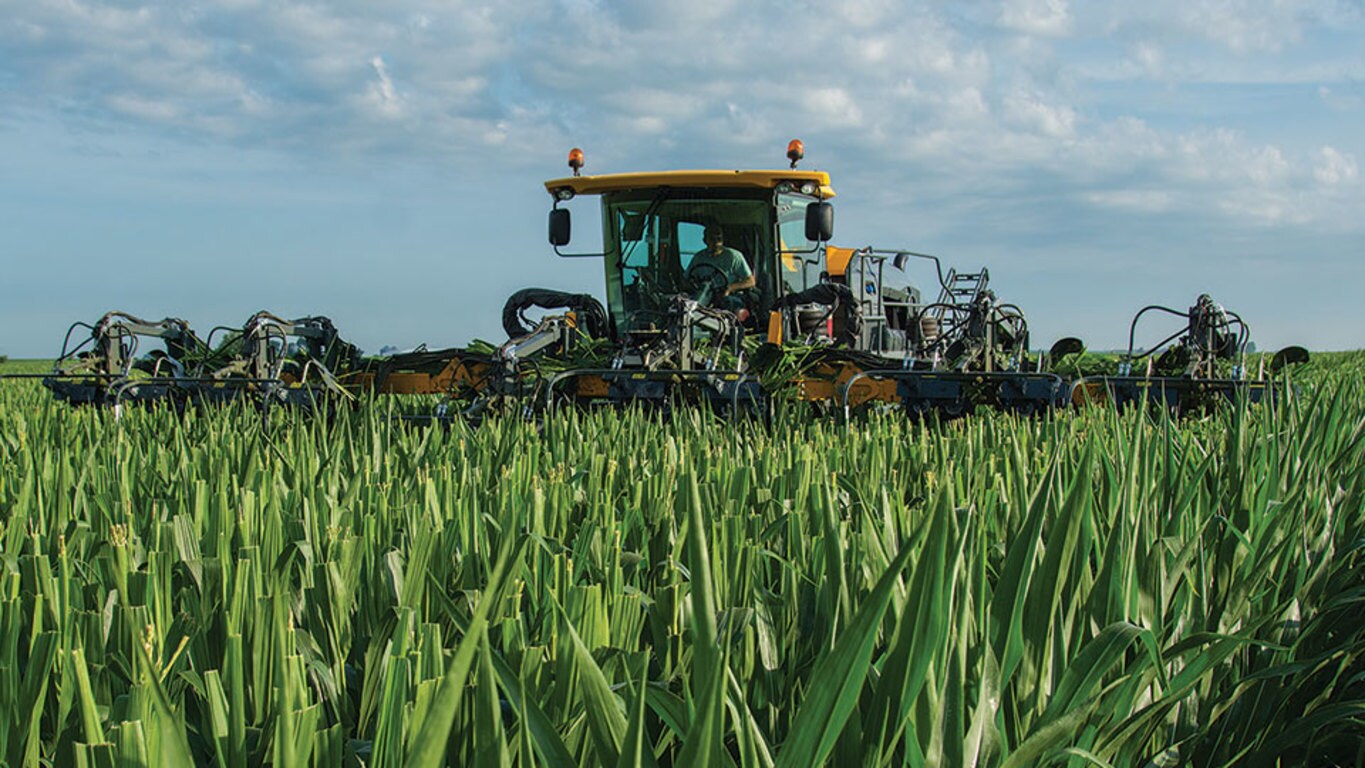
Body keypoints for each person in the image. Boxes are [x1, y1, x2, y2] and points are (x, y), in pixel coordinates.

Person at [687, 225, 755, 311]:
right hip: (704, 294)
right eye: (712, 238)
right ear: (705, 241)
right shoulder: (698, 258)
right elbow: (686, 280)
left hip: (728, 297)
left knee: (729, 303)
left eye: (718, 238)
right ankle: (693, 312)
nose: (716, 241)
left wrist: (730, 288)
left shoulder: (734, 256)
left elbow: (750, 281)